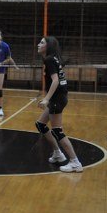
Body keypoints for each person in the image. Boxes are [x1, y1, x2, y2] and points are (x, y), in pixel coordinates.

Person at [35, 36, 83, 173]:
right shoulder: (52, 58)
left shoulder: (50, 59)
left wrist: (46, 99)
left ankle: (75, 162)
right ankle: (57, 153)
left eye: (42, 43)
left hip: (57, 99)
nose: (38, 44)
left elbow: (55, 81)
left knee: (57, 131)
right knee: (40, 125)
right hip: (59, 97)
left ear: (48, 46)